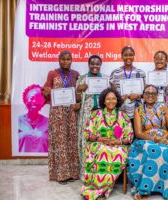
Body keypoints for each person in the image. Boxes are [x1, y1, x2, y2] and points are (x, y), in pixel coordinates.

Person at [128, 85, 168, 200]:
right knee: (150, 148)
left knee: (165, 150)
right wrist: (154, 139)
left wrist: (163, 137)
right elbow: (138, 133)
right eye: (147, 93)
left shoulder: (164, 108)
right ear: (143, 95)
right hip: (146, 139)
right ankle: (144, 189)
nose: (150, 95)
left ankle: (162, 187)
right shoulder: (138, 110)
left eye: (153, 93)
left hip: (165, 137)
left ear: (157, 96)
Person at [81, 88, 134, 200]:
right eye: (108, 99)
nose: (111, 101)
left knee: (116, 154)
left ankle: (103, 190)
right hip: (98, 144)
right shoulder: (95, 114)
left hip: (118, 146)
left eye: (113, 99)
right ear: (103, 101)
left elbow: (129, 137)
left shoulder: (123, 116)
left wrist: (118, 141)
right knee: (102, 151)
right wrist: (99, 139)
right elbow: (87, 133)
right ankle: (95, 189)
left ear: (117, 100)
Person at [43, 50, 80, 184]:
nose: (65, 61)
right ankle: (61, 174)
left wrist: (79, 103)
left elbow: (79, 94)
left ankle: (73, 173)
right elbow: (45, 90)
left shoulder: (75, 74)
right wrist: (46, 91)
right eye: (63, 59)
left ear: (71, 60)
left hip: (71, 114)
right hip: (57, 113)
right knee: (60, 142)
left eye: (68, 59)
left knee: (71, 141)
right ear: (59, 59)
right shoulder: (52, 73)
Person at [76, 55, 106, 181]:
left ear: (101, 65)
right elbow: (76, 100)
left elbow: (110, 96)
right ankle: (85, 173)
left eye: (97, 64)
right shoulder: (82, 79)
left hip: (101, 115)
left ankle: (99, 173)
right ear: (88, 65)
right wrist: (79, 90)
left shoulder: (105, 79)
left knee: (100, 141)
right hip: (86, 115)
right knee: (85, 142)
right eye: (92, 64)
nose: (95, 66)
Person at [109, 46, 146, 124]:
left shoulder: (140, 72)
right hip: (121, 109)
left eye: (131, 55)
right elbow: (111, 93)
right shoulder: (115, 73)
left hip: (137, 110)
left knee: (136, 134)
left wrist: (138, 96)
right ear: (122, 56)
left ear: (134, 56)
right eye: (125, 55)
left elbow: (145, 93)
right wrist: (119, 98)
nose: (128, 57)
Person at [18, 84, 48, 153]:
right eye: (31, 98)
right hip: (21, 161)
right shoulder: (17, 121)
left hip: (43, 162)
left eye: (38, 99)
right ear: (25, 100)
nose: (34, 101)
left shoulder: (48, 122)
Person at [152, 51, 168, 120]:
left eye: (162, 59)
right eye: (157, 59)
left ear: (166, 61)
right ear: (154, 60)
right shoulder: (149, 76)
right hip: (153, 110)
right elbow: (144, 95)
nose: (159, 61)